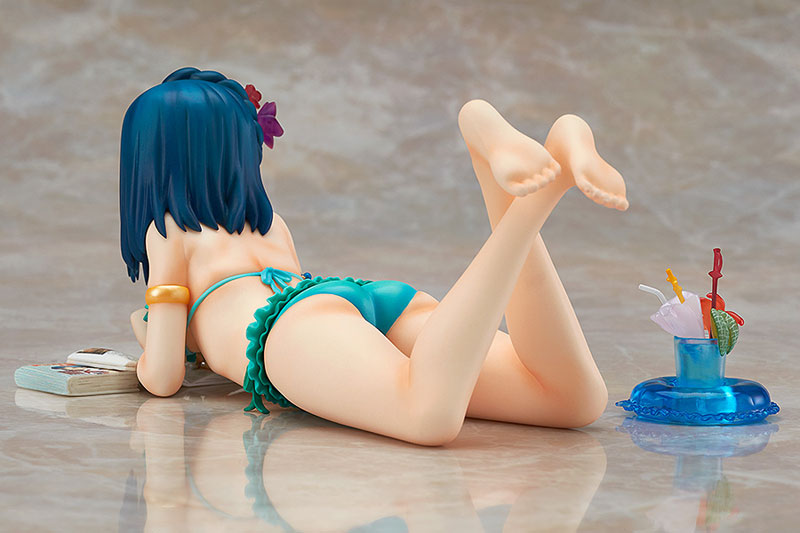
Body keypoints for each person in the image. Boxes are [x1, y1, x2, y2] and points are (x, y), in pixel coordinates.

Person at [124, 67, 628, 446]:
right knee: (570, 400)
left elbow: (163, 378)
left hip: (291, 328)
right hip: (355, 301)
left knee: (426, 416)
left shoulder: (168, 232)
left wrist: (150, 339)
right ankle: (525, 160)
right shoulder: (269, 222)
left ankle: (536, 199)